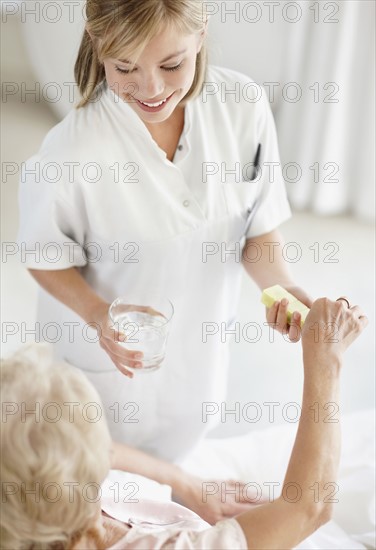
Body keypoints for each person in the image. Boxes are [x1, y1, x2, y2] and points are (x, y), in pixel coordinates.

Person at [18, 0, 313, 522]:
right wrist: (98, 316)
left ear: (201, 31)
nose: (151, 90)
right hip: (98, 390)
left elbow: (255, 229)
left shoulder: (242, 107)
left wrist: (283, 287)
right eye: (125, 68)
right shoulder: (71, 153)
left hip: (193, 377)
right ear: (97, 42)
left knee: (181, 493)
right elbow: (44, 256)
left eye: (171, 65)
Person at [0, 297, 368, 549]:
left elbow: (103, 452)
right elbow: (308, 507)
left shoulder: (35, 501)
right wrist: (325, 356)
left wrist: (185, 483)